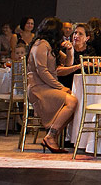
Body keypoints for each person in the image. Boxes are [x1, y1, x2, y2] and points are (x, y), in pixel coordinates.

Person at [26, 17, 79, 154]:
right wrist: (60, 87)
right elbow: (42, 71)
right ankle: (51, 136)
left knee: (74, 104)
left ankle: (51, 136)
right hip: (38, 87)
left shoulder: (49, 45)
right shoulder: (41, 45)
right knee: (72, 101)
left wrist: (70, 51)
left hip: (46, 86)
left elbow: (68, 63)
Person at [59, 23, 88, 90]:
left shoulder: (90, 51)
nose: (76, 36)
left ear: (87, 38)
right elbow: (60, 70)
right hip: (65, 84)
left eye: (80, 34)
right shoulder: (65, 48)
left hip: (82, 85)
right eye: (75, 33)